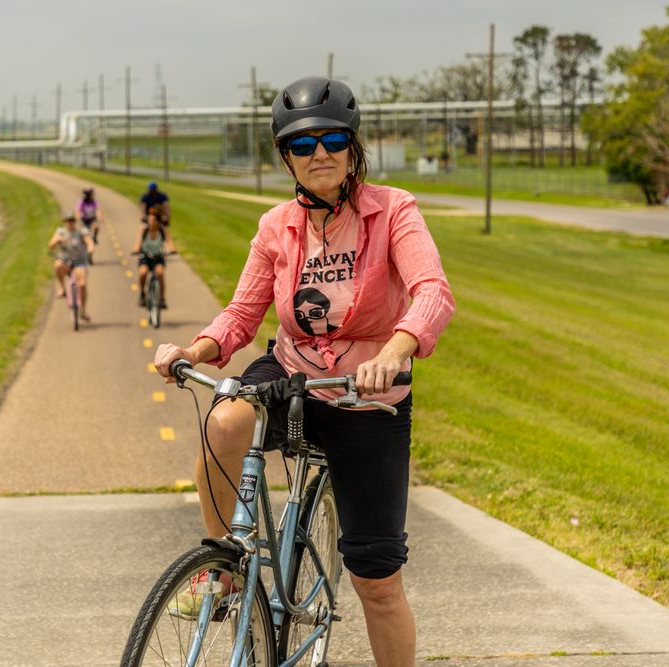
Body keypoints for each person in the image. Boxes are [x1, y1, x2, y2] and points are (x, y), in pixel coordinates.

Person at [154, 76, 455, 667]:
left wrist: (395, 352)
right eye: (302, 143)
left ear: (352, 147)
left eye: (333, 140)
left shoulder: (393, 210)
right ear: (285, 156)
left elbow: (432, 292)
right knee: (224, 419)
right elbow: (242, 314)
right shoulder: (276, 226)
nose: (320, 153)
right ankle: (224, 566)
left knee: (377, 581)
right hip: (293, 374)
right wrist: (197, 349)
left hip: (367, 395)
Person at [48, 214, 95, 322]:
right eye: (67, 221)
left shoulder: (81, 231)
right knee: (57, 265)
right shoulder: (60, 232)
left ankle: (83, 311)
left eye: (72, 220)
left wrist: (91, 248)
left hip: (79, 262)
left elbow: (89, 241)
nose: (70, 223)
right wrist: (56, 240)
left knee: (82, 284)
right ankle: (62, 288)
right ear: (64, 222)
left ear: (75, 222)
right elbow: (50, 245)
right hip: (65, 261)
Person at [131, 208, 175, 308]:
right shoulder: (144, 229)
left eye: (153, 220)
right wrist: (136, 249)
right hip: (145, 256)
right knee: (143, 272)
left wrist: (172, 249)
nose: (150, 222)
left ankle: (162, 298)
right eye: (149, 220)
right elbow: (138, 242)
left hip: (158, 256)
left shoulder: (162, 229)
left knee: (160, 273)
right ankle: (142, 294)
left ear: (157, 221)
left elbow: (169, 242)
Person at [77, 188, 104, 262]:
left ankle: (95, 237)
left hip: (92, 219)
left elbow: (97, 210)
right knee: (85, 236)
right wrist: (80, 221)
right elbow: (78, 212)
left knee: (96, 227)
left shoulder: (94, 202)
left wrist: (100, 217)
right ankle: (86, 253)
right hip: (84, 220)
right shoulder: (81, 202)